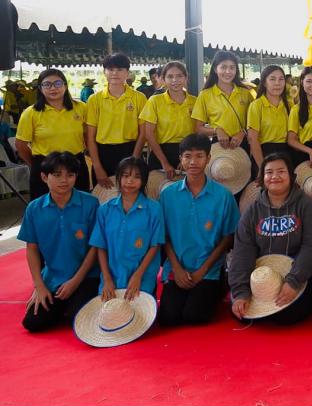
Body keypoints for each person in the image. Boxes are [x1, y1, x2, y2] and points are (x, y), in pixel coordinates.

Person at [229, 153, 312, 324]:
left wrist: (293, 282)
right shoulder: (252, 211)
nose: (275, 176)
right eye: (269, 172)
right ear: (262, 177)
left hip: (300, 273)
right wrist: (241, 292)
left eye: (281, 171)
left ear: (291, 176)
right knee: (245, 314)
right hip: (265, 276)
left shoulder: (307, 206)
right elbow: (242, 251)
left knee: (287, 316)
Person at [158, 134, 239, 327]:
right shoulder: (167, 195)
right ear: (180, 159)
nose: (193, 162)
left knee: (194, 316)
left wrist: (203, 270)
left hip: (209, 270)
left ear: (208, 158)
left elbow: (228, 237)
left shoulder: (223, 196)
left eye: (199, 156)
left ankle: (221, 285)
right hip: (177, 269)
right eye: (188, 156)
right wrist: (177, 269)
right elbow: (164, 236)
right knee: (169, 319)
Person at [18, 152, 101, 332]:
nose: (64, 180)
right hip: (53, 278)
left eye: (70, 175)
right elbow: (32, 249)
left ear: (76, 177)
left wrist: (75, 281)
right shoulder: (34, 209)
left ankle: (71, 307)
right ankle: (64, 306)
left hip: (87, 277)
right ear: (44, 177)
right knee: (33, 323)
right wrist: (39, 286)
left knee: (78, 320)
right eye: (57, 175)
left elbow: (95, 247)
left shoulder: (91, 204)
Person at [90, 157, 163, 303]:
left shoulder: (154, 209)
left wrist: (138, 276)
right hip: (112, 278)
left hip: (142, 278)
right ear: (118, 177)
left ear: (144, 180)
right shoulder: (105, 210)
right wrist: (107, 279)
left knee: (138, 314)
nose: (130, 181)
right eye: (125, 175)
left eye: (137, 176)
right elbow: (100, 246)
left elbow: (155, 245)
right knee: (110, 313)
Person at [15, 68, 89, 199]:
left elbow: (88, 136)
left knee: (80, 204)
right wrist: (37, 164)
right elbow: (21, 144)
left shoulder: (81, 108)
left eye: (58, 83)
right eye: (47, 84)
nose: (53, 88)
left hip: (76, 164)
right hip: (45, 166)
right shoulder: (30, 113)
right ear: (40, 88)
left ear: (65, 85)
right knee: (44, 207)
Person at [85, 52, 147, 190]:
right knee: (104, 195)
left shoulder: (139, 98)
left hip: (130, 151)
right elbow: (90, 137)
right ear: (104, 72)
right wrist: (97, 167)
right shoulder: (95, 99)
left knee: (132, 193)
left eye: (119, 69)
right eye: (110, 69)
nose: (115, 73)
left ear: (127, 73)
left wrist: (134, 159)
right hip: (103, 154)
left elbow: (143, 133)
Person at [191, 51, 255, 157]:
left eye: (232, 67)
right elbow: (198, 129)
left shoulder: (246, 93)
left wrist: (243, 132)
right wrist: (217, 131)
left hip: (243, 145)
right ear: (215, 69)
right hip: (218, 147)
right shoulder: (205, 95)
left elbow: (255, 123)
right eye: (223, 67)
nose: (228, 71)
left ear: (236, 70)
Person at [139, 61, 196, 176]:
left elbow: (197, 132)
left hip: (189, 153)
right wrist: (164, 163)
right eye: (170, 76)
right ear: (163, 80)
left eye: (179, 76)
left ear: (186, 78)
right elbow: (149, 134)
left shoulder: (195, 101)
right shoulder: (155, 101)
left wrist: (188, 158)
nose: (175, 80)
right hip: (161, 154)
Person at [246, 65, 292, 174]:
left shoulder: (289, 105)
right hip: (264, 155)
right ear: (264, 83)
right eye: (272, 79)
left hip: (286, 155)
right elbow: (253, 139)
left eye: (281, 79)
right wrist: (262, 167)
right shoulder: (256, 105)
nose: (277, 83)